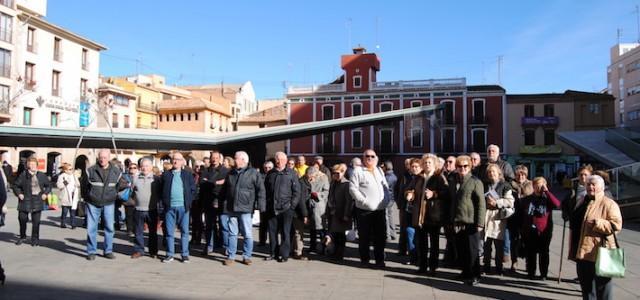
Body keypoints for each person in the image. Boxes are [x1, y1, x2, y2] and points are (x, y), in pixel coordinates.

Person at [569, 175, 622, 300]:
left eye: (594, 184)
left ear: (601, 187)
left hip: (600, 251)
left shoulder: (609, 204)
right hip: (582, 251)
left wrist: (598, 223)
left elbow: (616, 225)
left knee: (603, 288)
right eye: (588, 184)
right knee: (587, 288)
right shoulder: (582, 200)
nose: (590, 187)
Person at [219, 151, 266, 266]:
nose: (234, 160)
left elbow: (261, 190)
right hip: (232, 208)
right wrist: (219, 202)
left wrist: (261, 206)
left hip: (246, 208)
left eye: (236, 158)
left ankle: (247, 256)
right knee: (232, 233)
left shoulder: (253, 173)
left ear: (243, 160)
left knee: (247, 234)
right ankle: (231, 256)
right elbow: (224, 190)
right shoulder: (231, 173)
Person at [447, 155, 485, 285]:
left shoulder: (475, 181)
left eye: (465, 166)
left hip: (471, 221)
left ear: (470, 167)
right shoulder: (453, 181)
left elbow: (481, 203)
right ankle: (465, 272)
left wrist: (480, 222)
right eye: (459, 166)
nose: (462, 168)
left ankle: (476, 275)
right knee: (462, 249)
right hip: (457, 220)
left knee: (473, 251)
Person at [407, 154, 448, 275]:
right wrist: (410, 194)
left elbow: (446, 193)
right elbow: (410, 189)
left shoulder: (439, 177)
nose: (427, 165)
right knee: (422, 243)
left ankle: (433, 267)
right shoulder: (418, 178)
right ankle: (423, 266)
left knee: (434, 243)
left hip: (433, 215)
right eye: (425, 163)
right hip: (420, 215)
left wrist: (434, 194)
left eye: (430, 163)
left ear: (434, 164)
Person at [349, 149, 390, 269]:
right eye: (367, 156)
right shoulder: (358, 170)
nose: (370, 158)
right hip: (364, 211)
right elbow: (352, 189)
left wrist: (386, 199)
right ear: (363, 158)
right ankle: (365, 260)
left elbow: (385, 187)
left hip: (380, 209)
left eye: (372, 156)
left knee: (380, 237)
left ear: (376, 158)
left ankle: (379, 260)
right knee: (364, 237)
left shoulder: (378, 170)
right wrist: (363, 201)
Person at [519, 177, 560, 280]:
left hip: (544, 230)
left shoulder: (547, 199)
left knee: (544, 253)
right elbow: (521, 214)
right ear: (533, 186)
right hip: (530, 230)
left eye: (541, 185)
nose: (538, 187)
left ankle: (543, 274)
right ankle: (531, 272)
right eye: (536, 185)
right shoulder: (527, 199)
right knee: (530, 252)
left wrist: (546, 191)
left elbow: (557, 204)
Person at [85, 149, 122, 260]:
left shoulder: (116, 171)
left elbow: (118, 187)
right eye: (101, 157)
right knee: (91, 228)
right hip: (93, 203)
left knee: (110, 228)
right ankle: (91, 252)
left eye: (105, 157)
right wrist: (88, 197)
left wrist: (113, 196)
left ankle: (108, 251)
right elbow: (84, 187)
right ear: (98, 158)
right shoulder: (90, 170)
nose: (102, 159)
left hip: (109, 203)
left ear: (109, 158)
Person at [264, 152, 300, 262]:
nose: (278, 162)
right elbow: (265, 190)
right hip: (272, 208)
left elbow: (297, 192)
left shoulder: (292, 173)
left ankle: (284, 255)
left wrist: (292, 206)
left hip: (286, 208)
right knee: (272, 232)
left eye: (280, 159)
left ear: (285, 160)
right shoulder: (271, 173)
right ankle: (273, 253)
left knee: (285, 232)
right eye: (277, 159)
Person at [160, 153, 196, 263]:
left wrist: (189, 202)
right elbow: (161, 190)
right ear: (172, 161)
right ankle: (169, 254)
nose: (175, 161)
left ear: (182, 162)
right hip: (169, 207)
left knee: (185, 232)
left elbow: (193, 189)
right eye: (174, 159)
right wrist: (164, 203)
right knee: (169, 232)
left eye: (178, 159)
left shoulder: (188, 174)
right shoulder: (166, 175)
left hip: (183, 207)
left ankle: (184, 254)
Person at [482, 164, 514, 276]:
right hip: (486, 217)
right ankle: (486, 267)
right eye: (490, 172)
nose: (492, 174)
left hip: (498, 219)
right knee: (486, 245)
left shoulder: (505, 185)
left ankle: (499, 268)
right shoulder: (485, 185)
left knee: (499, 246)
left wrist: (497, 202)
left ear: (499, 173)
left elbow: (510, 201)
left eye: (494, 172)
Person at [13, 157, 51, 247]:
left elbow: (49, 186)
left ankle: (35, 239)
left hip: (37, 200)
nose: (32, 166)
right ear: (27, 166)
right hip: (25, 200)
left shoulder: (42, 175)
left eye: (34, 164)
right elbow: (15, 186)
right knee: (22, 219)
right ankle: (22, 236)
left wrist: (45, 193)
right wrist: (19, 194)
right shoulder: (23, 175)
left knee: (36, 222)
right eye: (30, 164)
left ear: (37, 165)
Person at [130, 158, 160, 259]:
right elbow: (132, 191)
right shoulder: (135, 178)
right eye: (143, 166)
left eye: (147, 166)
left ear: (151, 167)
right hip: (138, 209)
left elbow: (160, 193)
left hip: (151, 210)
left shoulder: (156, 179)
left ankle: (153, 251)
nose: (144, 168)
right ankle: (139, 250)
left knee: (152, 232)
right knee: (138, 232)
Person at [200, 151, 228, 255]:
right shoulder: (205, 171)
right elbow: (202, 184)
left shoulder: (226, 171)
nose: (214, 159)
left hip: (222, 202)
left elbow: (227, 185)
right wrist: (218, 182)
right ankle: (209, 246)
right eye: (213, 157)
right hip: (208, 202)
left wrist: (210, 182)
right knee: (209, 226)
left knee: (224, 226)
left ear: (220, 159)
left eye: (217, 158)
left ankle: (226, 247)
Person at [508, 165, 533, 272]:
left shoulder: (531, 185)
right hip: (514, 216)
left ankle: (529, 263)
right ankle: (514, 262)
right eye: (518, 174)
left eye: (523, 174)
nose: (520, 176)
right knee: (513, 241)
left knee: (527, 241)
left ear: (526, 175)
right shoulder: (510, 184)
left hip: (527, 217)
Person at [326, 163, 353, 261]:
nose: (335, 175)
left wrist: (346, 214)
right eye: (334, 173)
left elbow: (348, 201)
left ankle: (339, 254)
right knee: (335, 234)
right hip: (333, 212)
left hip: (341, 213)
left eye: (337, 173)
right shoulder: (333, 183)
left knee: (341, 236)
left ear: (342, 173)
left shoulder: (347, 184)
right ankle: (335, 252)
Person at [401, 158, 423, 265]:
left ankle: (420, 257)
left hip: (419, 213)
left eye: (416, 167)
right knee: (410, 234)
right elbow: (406, 191)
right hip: (409, 211)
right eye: (412, 166)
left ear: (421, 167)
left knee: (418, 236)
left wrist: (412, 194)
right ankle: (413, 256)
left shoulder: (423, 179)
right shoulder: (412, 179)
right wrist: (408, 193)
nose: (414, 168)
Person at [306, 166, 330, 254]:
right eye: (308, 176)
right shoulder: (307, 178)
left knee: (320, 227)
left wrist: (318, 194)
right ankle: (312, 246)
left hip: (319, 205)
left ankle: (323, 247)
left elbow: (326, 191)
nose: (310, 178)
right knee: (312, 228)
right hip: (309, 204)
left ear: (315, 174)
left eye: (311, 176)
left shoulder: (324, 178)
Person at [395, 158, 413, 256]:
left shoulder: (416, 176)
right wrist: (398, 201)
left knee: (410, 229)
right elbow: (397, 189)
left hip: (411, 207)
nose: (408, 165)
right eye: (406, 164)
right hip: (403, 205)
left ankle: (411, 250)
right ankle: (402, 249)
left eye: (409, 164)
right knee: (403, 228)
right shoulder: (403, 176)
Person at [293, 169, 311, 260]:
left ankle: (296, 250)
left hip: (298, 212)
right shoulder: (302, 184)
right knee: (298, 232)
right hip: (298, 213)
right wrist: (305, 215)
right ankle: (298, 252)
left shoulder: (304, 182)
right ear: (310, 175)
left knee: (297, 232)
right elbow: (301, 201)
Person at [57, 163, 81, 229]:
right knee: (64, 212)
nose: (71, 170)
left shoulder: (74, 176)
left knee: (72, 212)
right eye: (70, 169)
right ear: (65, 170)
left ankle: (73, 224)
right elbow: (59, 186)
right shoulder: (62, 176)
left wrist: (77, 183)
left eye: (72, 169)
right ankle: (63, 223)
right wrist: (66, 181)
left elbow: (78, 184)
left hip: (73, 196)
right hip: (66, 196)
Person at [258, 160, 274, 246]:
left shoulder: (275, 176)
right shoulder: (260, 176)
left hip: (272, 203)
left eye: (269, 168)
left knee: (272, 225)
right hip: (263, 202)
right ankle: (262, 241)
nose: (267, 169)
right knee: (263, 223)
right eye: (265, 168)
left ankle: (272, 242)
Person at [382, 161, 398, 242]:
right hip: (392, 198)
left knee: (386, 217)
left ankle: (387, 235)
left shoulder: (387, 177)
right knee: (390, 216)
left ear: (386, 167)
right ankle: (393, 234)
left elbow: (384, 188)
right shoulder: (394, 176)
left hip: (387, 199)